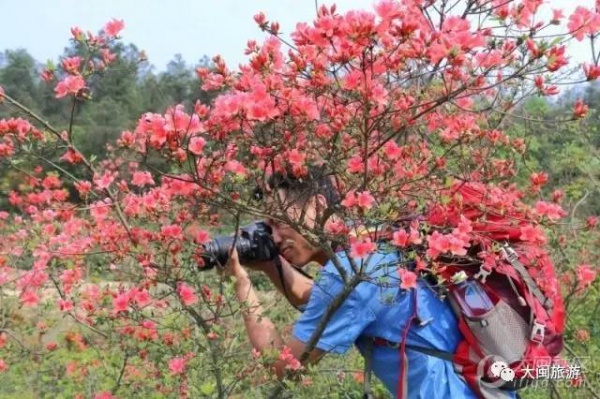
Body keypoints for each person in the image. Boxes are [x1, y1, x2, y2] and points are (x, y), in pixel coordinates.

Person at [221, 167, 516, 399]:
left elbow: (285, 368)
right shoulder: (375, 241)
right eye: (268, 228)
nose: (274, 236)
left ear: (317, 204)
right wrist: (269, 263)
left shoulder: (348, 274)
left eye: (280, 221)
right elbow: (313, 296)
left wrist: (242, 284)